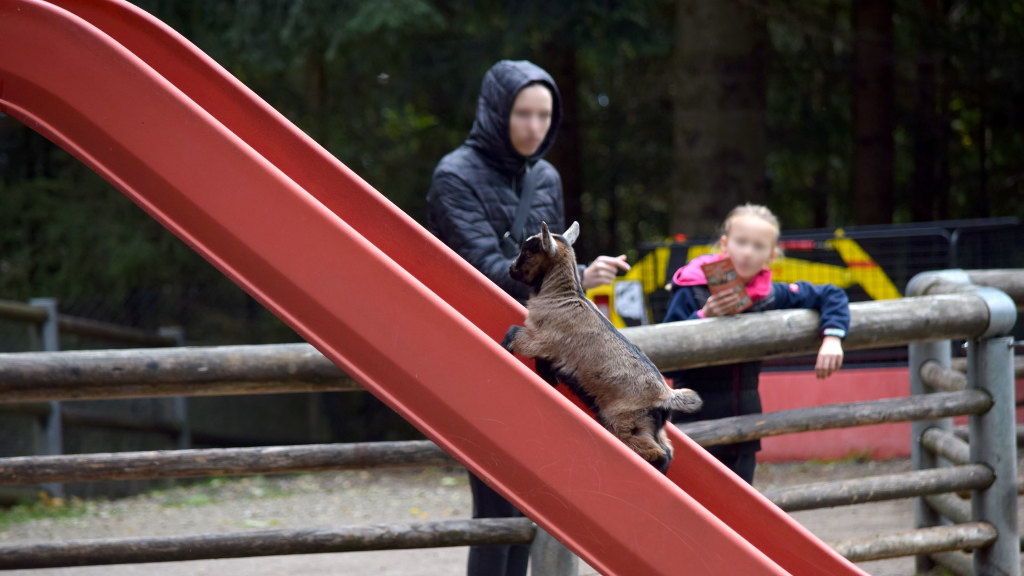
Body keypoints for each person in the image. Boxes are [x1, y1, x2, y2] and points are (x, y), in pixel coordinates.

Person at [427, 60, 629, 576]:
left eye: (544, 115)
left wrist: (583, 273)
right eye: (523, 113)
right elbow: (486, 273)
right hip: (481, 357)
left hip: (539, 358)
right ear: (498, 111)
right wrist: (572, 271)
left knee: (537, 501)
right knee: (496, 510)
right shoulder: (454, 176)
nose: (534, 127)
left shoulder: (546, 176)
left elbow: (551, 273)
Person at [662, 203, 849, 484]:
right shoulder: (693, 287)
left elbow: (831, 294)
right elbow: (667, 351)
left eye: (758, 246)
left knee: (739, 506)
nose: (748, 252)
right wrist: (704, 316)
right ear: (725, 244)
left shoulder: (769, 294)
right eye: (741, 242)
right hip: (692, 420)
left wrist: (833, 337)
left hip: (745, 425)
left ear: (772, 255)